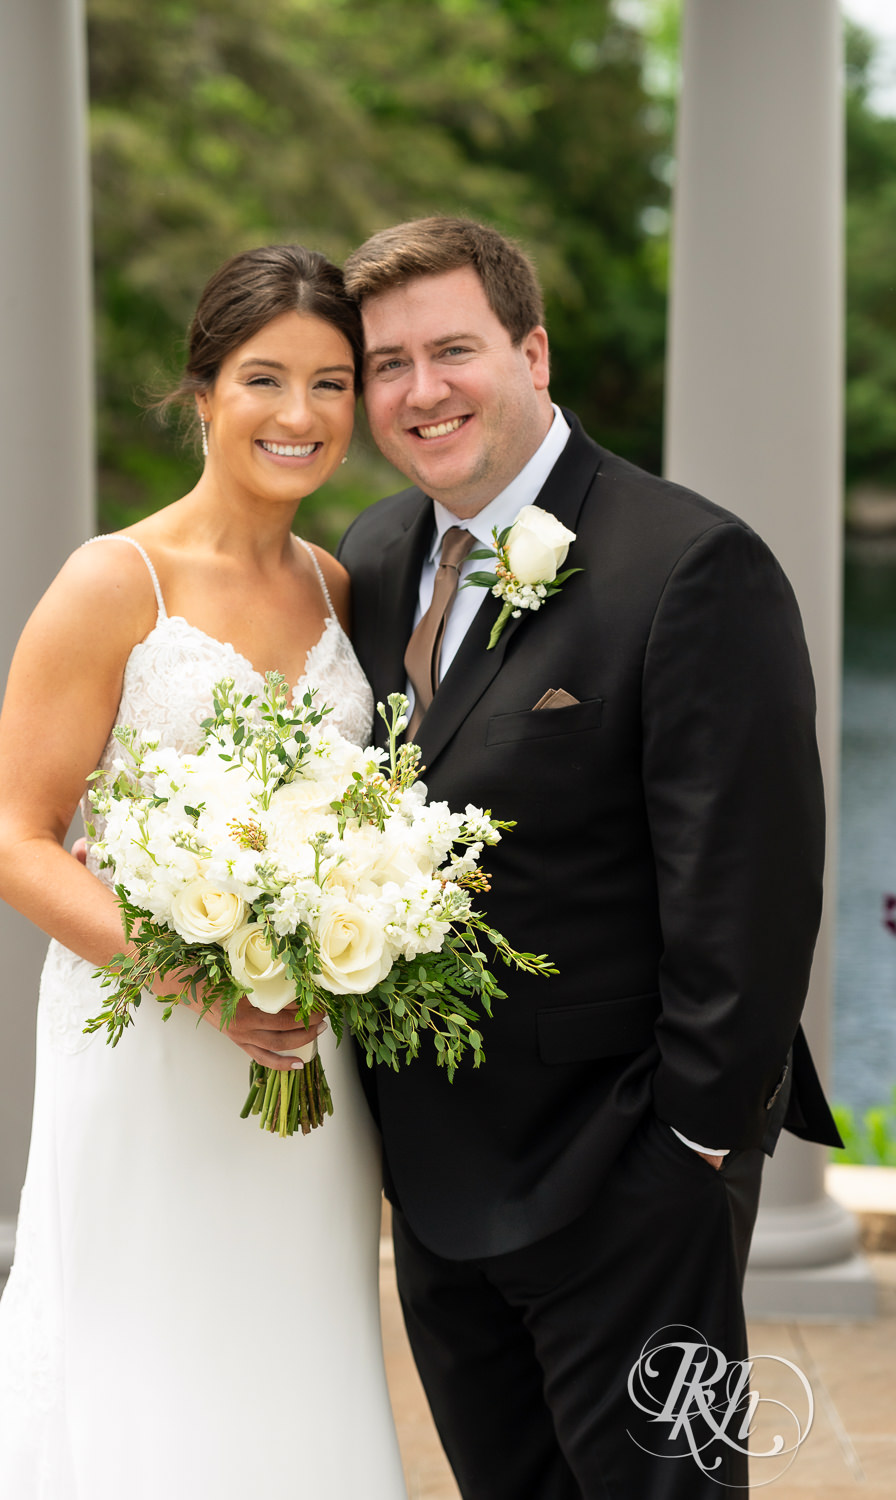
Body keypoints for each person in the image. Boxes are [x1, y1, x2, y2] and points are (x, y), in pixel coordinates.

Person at [335, 215, 843, 1498]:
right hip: (440, 1182)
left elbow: (750, 885)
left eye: (453, 349)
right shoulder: (379, 556)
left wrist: (694, 1150)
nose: (419, 389)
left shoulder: (690, 564)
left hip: (628, 1176)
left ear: (534, 351)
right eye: (386, 363)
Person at [0, 246, 407, 1499]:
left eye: (332, 383)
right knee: (137, 1348)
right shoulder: (110, 580)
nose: (301, 416)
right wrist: (201, 978)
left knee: (294, 1339)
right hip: (144, 1035)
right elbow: (13, 841)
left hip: (306, 1046)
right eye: (265, 378)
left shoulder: (339, 588)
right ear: (200, 391)